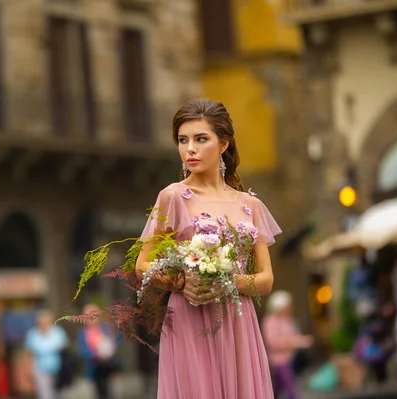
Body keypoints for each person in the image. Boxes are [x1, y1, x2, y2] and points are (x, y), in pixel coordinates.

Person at [134, 99, 282, 398]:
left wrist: (225, 282)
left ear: (224, 143)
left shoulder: (249, 205)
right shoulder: (173, 197)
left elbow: (266, 280)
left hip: (237, 323)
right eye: (182, 140)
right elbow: (142, 265)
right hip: (189, 318)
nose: (190, 149)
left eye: (201, 139)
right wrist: (183, 281)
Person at [262, 290, 313, 399]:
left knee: (277, 388)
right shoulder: (270, 321)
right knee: (291, 388)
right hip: (278, 361)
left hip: (289, 359)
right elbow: (272, 342)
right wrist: (292, 342)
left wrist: (302, 340)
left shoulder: (288, 321)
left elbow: (294, 336)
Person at [77, 303, 119, 399]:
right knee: (98, 392)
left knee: (109, 391)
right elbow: (82, 350)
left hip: (108, 367)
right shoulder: (82, 332)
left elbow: (116, 341)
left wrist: (110, 349)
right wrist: (96, 355)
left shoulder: (107, 328)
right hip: (94, 368)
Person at [24, 310, 68, 399]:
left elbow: (64, 346)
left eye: (46, 322)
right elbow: (29, 353)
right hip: (40, 368)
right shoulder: (32, 334)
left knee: (59, 394)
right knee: (45, 395)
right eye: (41, 322)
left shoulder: (58, 332)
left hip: (58, 368)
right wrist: (28, 370)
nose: (43, 324)